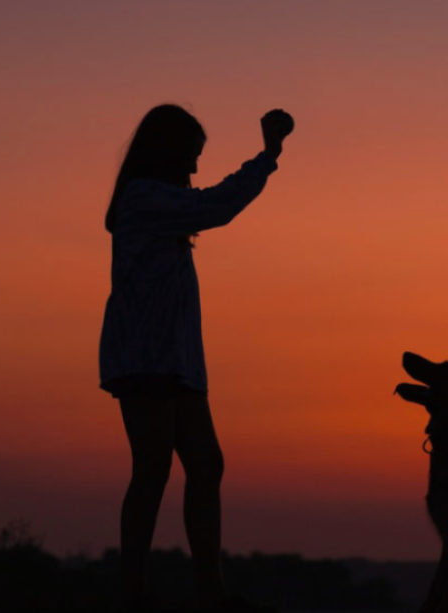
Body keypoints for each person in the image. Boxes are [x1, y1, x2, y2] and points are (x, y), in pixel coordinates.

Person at [99, 104, 294, 612]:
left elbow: (208, 206)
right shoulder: (144, 199)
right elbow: (216, 206)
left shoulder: (157, 204)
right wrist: (267, 156)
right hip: (147, 357)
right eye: (190, 156)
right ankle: (134, 592)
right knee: (153, 469)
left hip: (175, 360)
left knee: (205, 465)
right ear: (166, 153)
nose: (193, 168)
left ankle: (210, 592)